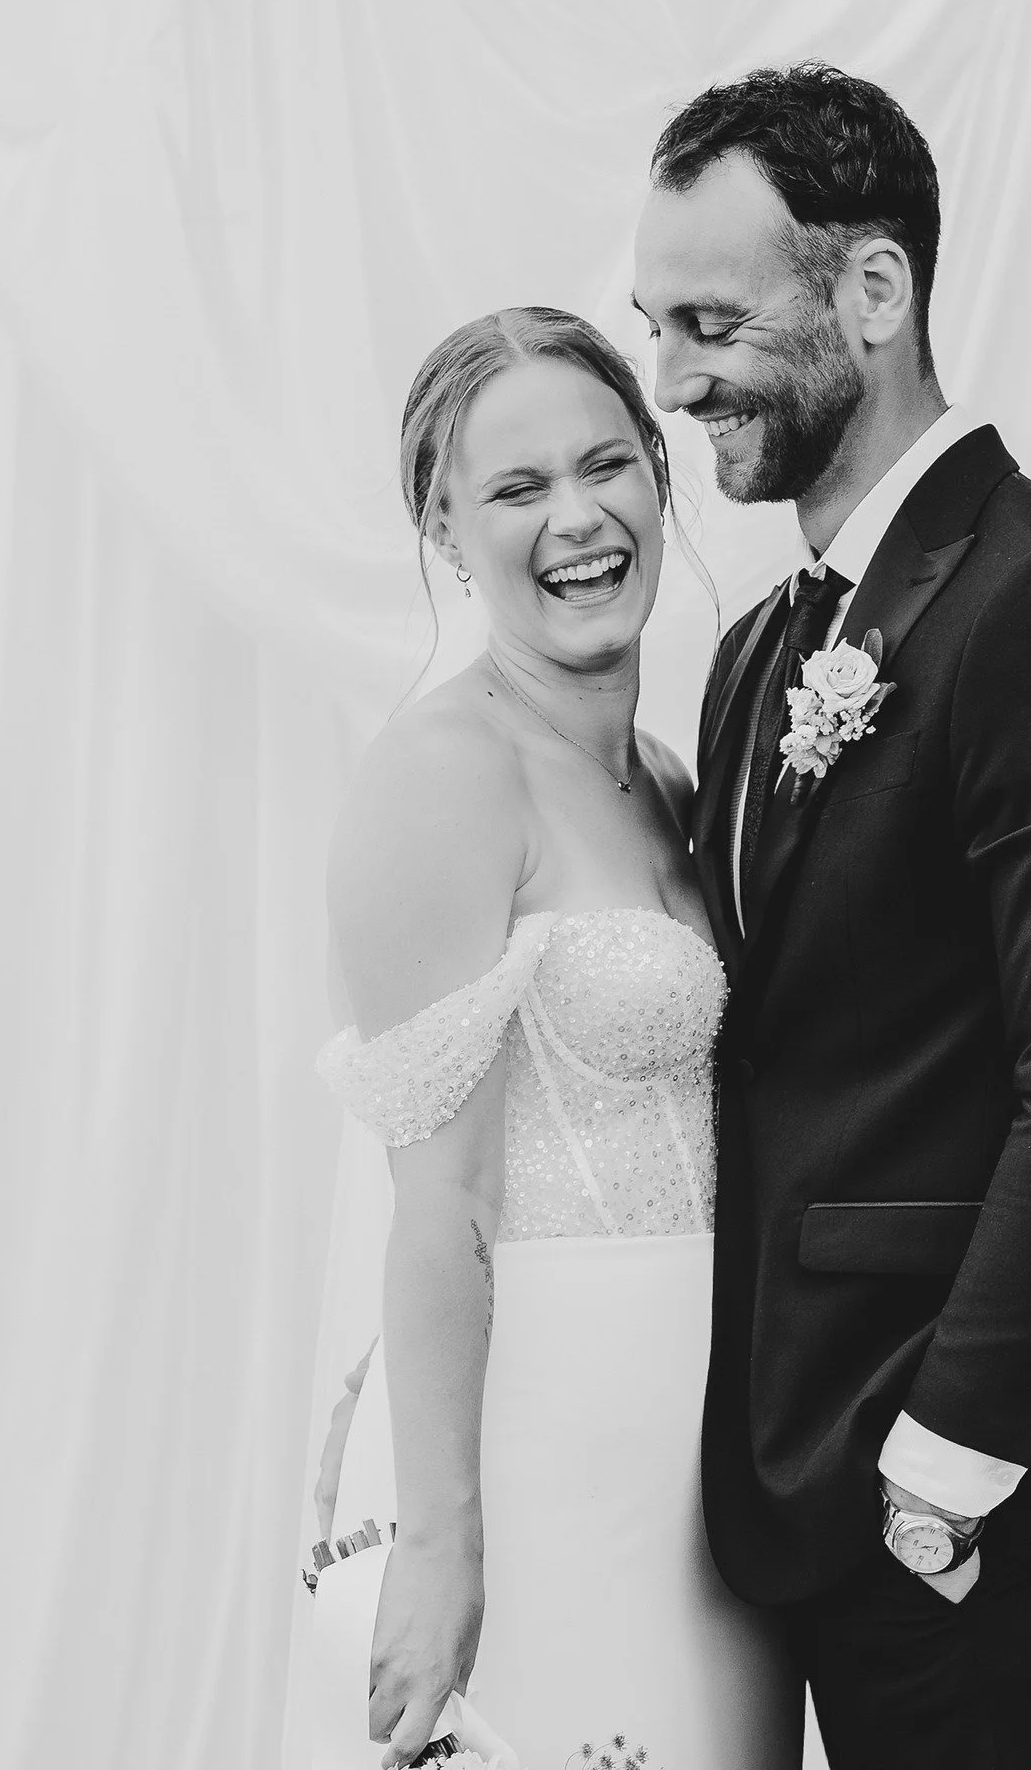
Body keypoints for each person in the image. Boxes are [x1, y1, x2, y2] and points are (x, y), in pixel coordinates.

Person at [632, 63, 1031, 1768]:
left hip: (994, 1514)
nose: (671, 381)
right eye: (654, 325)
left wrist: (942, 1474)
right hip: (803, 1493)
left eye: (710, 321)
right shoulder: (760, 650)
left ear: (875, 291)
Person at [307, 308, 800, 1770]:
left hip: (710, 1460)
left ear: (661, 474)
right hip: (541, 1440)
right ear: (445, 527)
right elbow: (438, 1206)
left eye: (606, 466)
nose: (576, 518)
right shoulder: (443, 776)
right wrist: (444, 1543)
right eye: (517, 490)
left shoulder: (668, 778)